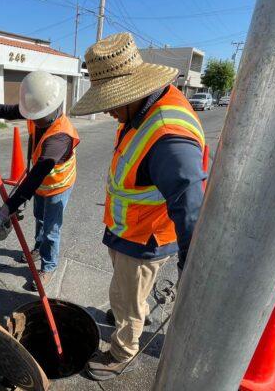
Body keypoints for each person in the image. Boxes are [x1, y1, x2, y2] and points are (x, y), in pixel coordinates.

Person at [70, 33, 206, 380]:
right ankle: (126, 319)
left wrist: (190, 265)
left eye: (113, 102)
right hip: (129, 231)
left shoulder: (167, 135)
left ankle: (121, 352)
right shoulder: (140, 110)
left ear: (134, 90)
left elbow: (190, 205)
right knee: (126, 294)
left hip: (144, 239)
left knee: (128, 302)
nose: (109, 110)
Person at [0, 71, 80, 290]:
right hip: (42, 184)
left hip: (58, 185)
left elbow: (33, 179)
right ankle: (39, 248)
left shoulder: (60, 137)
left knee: (51, 229)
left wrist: (5, 210)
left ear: (51, 109)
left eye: (36, 116)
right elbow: (5, 111)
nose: (32, 119)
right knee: (39, 217)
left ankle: (49, 266)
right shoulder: (37, 113)